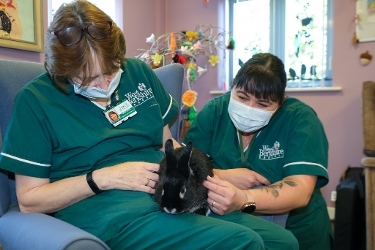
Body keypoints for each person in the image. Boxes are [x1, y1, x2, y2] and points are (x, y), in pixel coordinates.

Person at [0, 1, 298, 249]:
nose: (105, 84)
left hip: (168, 196)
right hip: (110, 212)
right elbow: (29, 200)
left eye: (111, 70)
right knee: (242, 242)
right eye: (89, 78)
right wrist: (103, 178)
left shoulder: (138, 72)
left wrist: (213, 177)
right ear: (61, 70)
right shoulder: (36, 101)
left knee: (283, 242)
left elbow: (169, 145)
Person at [184, 53, 334, 250]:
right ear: (232, 87)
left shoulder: (300, 119)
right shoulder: (215, 112)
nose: (249, 108)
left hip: (299, 231)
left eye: (262, 104)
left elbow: (300, 189)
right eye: (242, 97)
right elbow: (187, 165)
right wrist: (224, 175)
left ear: (281, 102)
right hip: (236, 229)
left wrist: (243, 199)